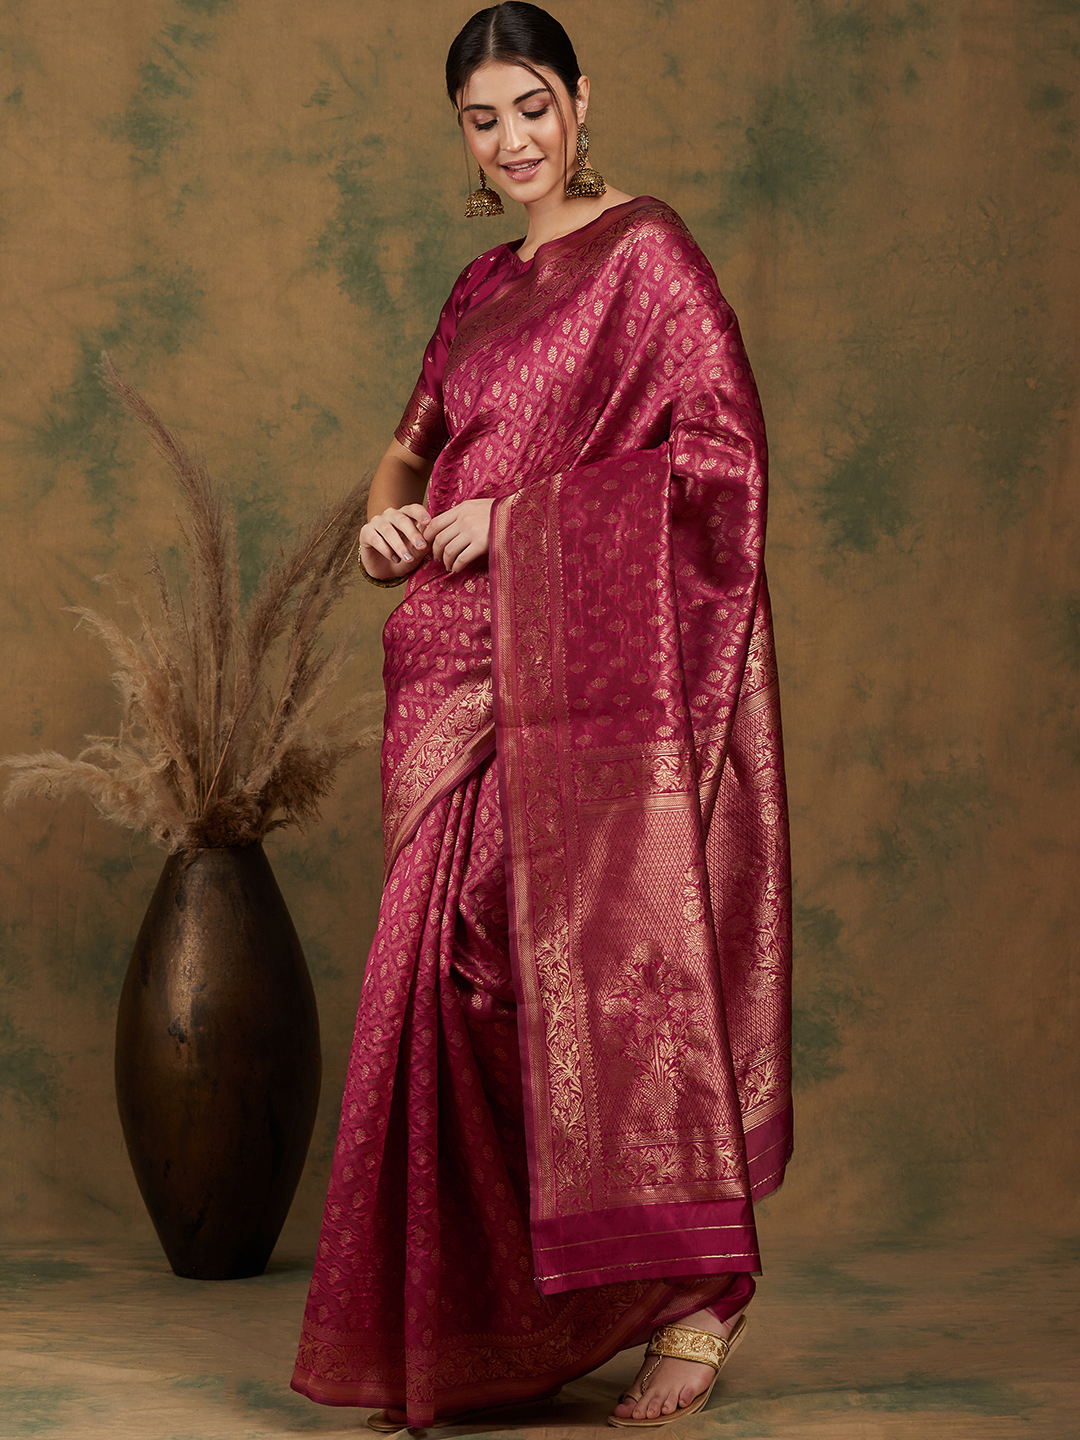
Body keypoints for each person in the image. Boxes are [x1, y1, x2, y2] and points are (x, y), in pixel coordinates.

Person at [291, 3, 792, 1428]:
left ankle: (693, 1295)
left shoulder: (648, 255)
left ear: (582, 100)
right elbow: (407, 462)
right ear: (460, 133)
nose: (513, 140)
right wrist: (388, 531)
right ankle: (492, 1324)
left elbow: (721, 467)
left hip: (582, 686)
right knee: (439, 994)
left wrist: (519, 520)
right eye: (483, 118)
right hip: (448, 678)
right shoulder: (475, 290)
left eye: (532, 106)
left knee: (583, 975)